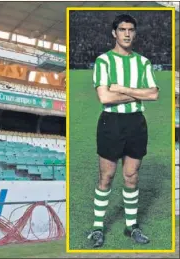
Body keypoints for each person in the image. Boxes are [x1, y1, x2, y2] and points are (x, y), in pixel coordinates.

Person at [87, 14, 159, 248]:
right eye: (122, 29)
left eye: (131, 30)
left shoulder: (144, 63)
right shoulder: (103, 61)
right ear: (114, 33)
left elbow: (155, 94)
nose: (127, 34)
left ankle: (131, 227)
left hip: (136, 122)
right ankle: (97, 228)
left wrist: (123, 88)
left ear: (135, 33)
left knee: (131, 177)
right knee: (106, 177)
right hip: (112, 122)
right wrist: (138, 92)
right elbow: (105, 97)